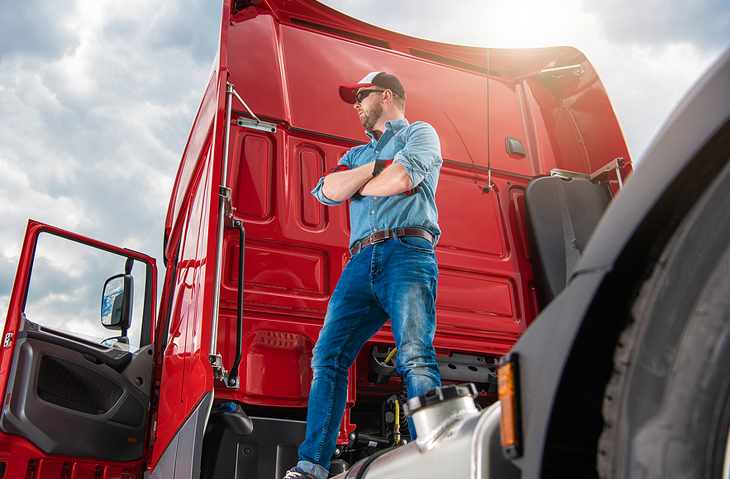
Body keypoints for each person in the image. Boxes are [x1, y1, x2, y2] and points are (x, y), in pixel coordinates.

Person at [283, 71, 443, 479]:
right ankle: (311, 467)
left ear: (386, 95)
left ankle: (434, 458)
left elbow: (403, 178)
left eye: (361, 95)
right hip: (359, 262)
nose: (355, 104)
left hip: (407, 251)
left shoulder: (421, 134)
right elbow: (326, 191)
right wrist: (374, 171)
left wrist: (362, 183)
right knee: (328, 356)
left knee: (415, 354)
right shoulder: (356, 154)